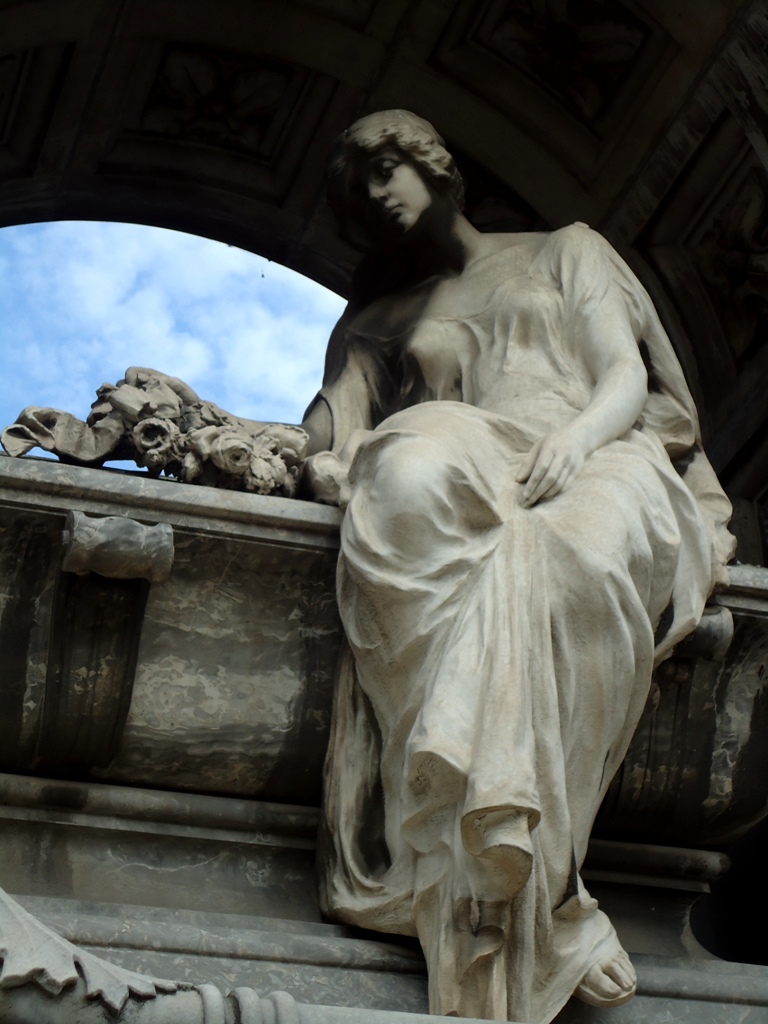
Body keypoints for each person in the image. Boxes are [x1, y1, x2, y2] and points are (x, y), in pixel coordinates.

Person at [300, 110, 734, 1024]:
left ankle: (525, 866)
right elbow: (329, 438)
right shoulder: (378, 320)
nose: (376, 195)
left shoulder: (566, 249)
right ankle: (506, 874)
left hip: (591, 447)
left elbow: (624, 376)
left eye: (386, 167)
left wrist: (578, 439)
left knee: (571, 552)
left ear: (434, 164)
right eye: (356, 189)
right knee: (407, 461)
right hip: (467, 453)